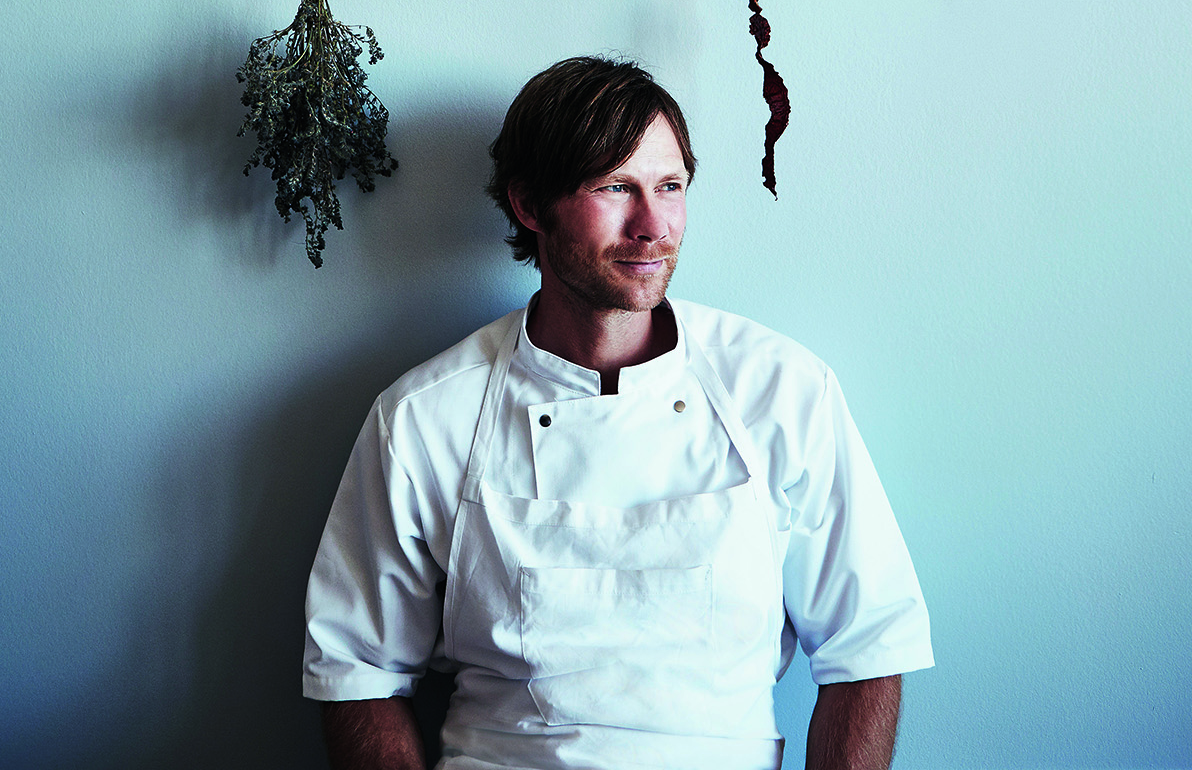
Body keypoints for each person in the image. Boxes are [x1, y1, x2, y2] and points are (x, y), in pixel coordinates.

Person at [304, 57, 933, 770]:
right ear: (530, 206)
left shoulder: (782, 391)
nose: (653, 226)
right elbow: (355, 671)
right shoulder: (423, 419)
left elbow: (870, 646)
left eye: (670, 187)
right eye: (615, 188)